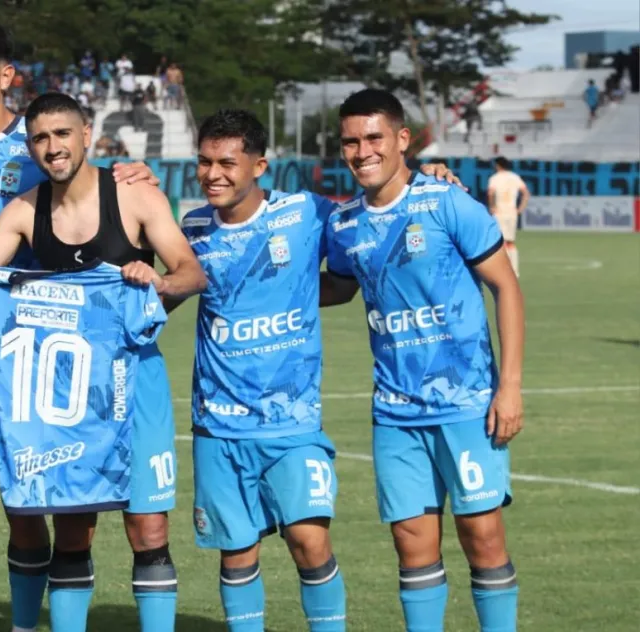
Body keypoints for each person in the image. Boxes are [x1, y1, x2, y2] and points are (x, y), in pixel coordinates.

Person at [0, 21, 160, 632]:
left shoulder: (37, 144)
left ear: (6, 76)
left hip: (25, 357)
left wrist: (132, 174)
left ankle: (24, 624)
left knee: (25, 504)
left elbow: (90, 190)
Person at [170, 109, 461, 632]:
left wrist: (426, 179)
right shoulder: (192, 229)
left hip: (292, 422)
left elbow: (372, 220)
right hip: (217, 424)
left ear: (259, 166)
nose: (213, 174)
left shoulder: (307, 212)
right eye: (205, 162)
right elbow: (166, 291)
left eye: (227, 163)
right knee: (236, 553)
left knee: (310, 542)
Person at [0, 92, 206, 632]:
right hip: (68, 395)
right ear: (30, 146)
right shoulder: (24, 211)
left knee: (149, 529)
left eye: (62, 133)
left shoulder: (134, 196)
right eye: (40, 138)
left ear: (86, 133)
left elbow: (191, 272)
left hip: (137, 383)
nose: (52, 147)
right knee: (73, 528)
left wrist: (155, 285)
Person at [322, 89, 524, 632]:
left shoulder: (448, 202)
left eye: (374, 138)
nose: (362, 151)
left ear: (402, 139)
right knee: (411, 543)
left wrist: (509, 387)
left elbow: (506, 288)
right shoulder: (344, 224)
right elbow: (338, 287)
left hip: (467, 404)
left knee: (483, 536)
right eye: (350, 142)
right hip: (395, 411)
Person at [487, 156, 529, 277]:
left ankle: (503, 269)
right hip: (511, 213)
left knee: (500, 242)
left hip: (499, 213)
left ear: (497, 165)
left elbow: (491, 193)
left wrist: (492, 206)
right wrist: (520, 208)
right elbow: (526, 193)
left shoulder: (495, 178)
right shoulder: (515, 177)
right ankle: (514, 270)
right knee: (510, 242)